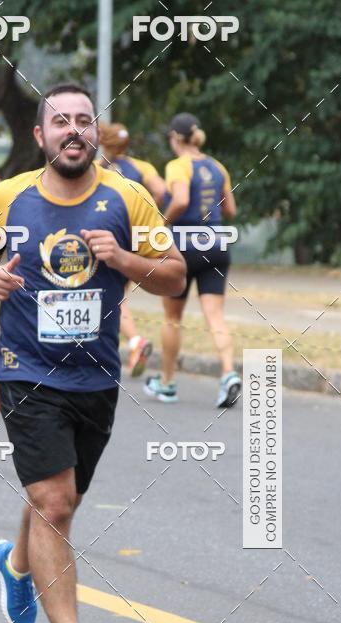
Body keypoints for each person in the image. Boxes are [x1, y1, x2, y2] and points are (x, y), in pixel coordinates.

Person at [0, 84, 185, 623]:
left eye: (83, 120)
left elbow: (174, 277)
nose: (73, 130)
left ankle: (15, 563)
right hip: (25, 369)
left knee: (58, 500)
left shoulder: (128, 199)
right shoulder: (9, 198)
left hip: (96, 376)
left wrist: (123, 260)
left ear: (95, 132)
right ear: (40, 137)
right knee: (55, 504)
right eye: (60, 121)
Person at [144, 112, 241, 407]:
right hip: (216, 244)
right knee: (215, 316)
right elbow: (231, 210)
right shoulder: (217, 166)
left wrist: (160, 224)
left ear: (175, 138)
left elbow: (182, 200)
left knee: (173, 317)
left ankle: (168, 384)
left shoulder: (177, 166)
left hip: (185, 247)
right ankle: (228, 374)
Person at [99, 122, 168, 378]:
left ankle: (135, 340)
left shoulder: (98, 168)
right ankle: (131, 341)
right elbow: (161, 191)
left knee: (114, 294)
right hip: (135, 234)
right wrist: (149, 211)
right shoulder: (142, 167)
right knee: (119, 293)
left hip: (109, 233)